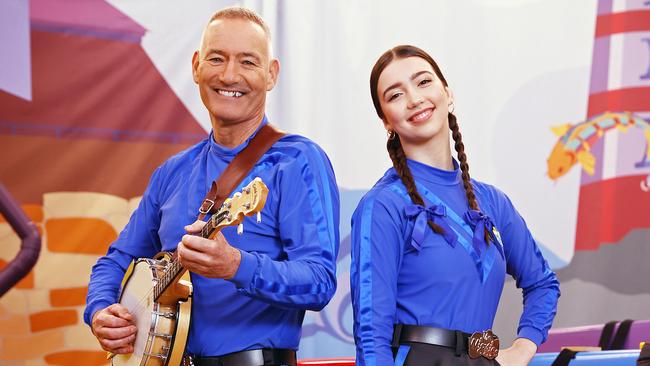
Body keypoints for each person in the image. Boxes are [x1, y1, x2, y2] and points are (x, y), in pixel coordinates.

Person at [84, 7, 340, 366]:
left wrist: (234, 264)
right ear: (195, 66)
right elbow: (115, 260)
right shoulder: (171, 172)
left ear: (271, 75)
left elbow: (319, 281)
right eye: (216, 58)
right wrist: (100, 310)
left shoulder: (297, 161)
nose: (229, 75)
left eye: (248, 62)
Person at [350, 45, 560, 366]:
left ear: (447, 94)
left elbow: (543, 283)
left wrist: (523, 347)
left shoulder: (493, 202)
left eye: (423, 82)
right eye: (395, 95)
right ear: (386, 122)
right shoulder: (382, 206)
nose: (414, 98)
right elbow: (371, 332)